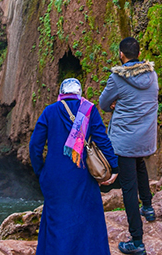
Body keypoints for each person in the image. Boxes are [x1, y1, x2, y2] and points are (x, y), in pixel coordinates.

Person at [29, 78, 118, 255]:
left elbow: (34, 146)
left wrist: (41, 171)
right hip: (82, 175)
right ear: (79, 93)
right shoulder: (89, 110)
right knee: (88, 219)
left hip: (55, 175)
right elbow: (102, 140)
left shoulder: (49, 111)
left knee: (57, 220)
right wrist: (114, 167)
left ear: (61, 94)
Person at [99, 37, 159, 255]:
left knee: (128, 187)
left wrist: (117, 103)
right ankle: (149, 208)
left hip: (125, 140)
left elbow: (104, 103)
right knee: (140, 165)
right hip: (146, 137)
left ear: (121, 54)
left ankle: (137, 240)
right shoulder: (152, 75)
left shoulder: (117, 78)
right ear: (139, 53)